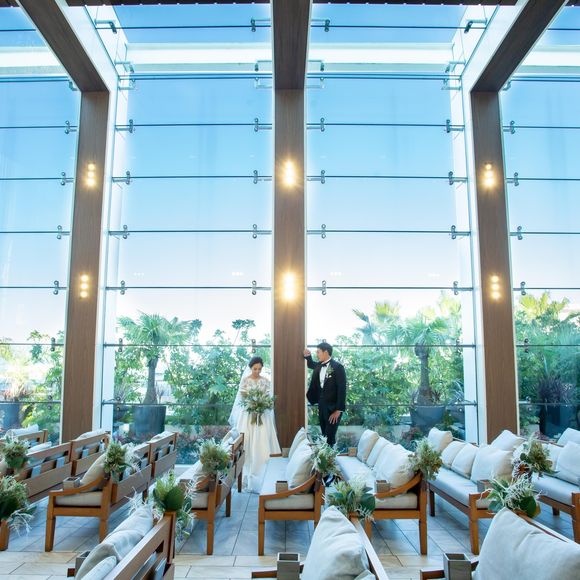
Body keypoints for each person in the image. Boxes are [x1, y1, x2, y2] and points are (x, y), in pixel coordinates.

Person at [228, 356, 281, 493]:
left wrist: (261, 405)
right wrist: (252, 404)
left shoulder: (266, 381)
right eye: (255, 369)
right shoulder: (245, 380)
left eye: (259, 369)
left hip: (262, 414)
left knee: (262, 441)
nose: (257, 371)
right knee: (247, 442)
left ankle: (263, 471)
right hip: (248, 415)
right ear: (250, 368)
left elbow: (268, 398)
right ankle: (246, 473)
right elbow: (242, 398)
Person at [304, 342, 347, 447]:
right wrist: (308, 356)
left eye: (318, 352)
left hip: (334, 409)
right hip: (322, 406)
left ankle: (330, 456)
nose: (317, 354)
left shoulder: (338, 367)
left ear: (326, 352)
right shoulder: (319, 365)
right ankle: (326, 456)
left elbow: (342, 389)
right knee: (324, 434)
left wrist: (338, 410)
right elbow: (311, 364)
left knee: (330, 436)